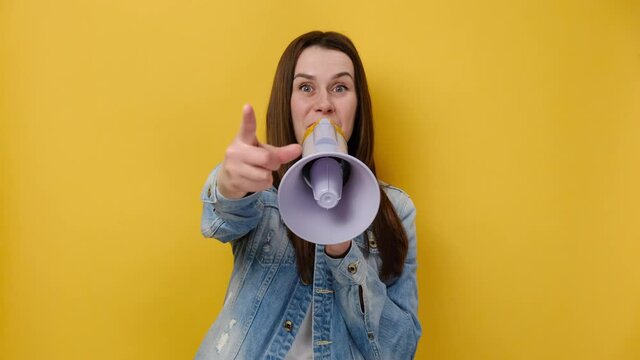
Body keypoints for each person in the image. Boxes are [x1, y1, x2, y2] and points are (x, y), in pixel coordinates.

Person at [196, 31, 421, 359]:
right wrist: (229, 185)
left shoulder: (396, 210)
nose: (324, 104)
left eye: (340, 88)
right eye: (306, 87)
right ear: (286, 103)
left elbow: (398, 349)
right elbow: (222, 220)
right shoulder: (260, 189)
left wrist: (341, 245)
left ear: (359, 104)